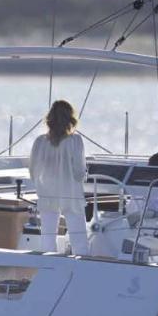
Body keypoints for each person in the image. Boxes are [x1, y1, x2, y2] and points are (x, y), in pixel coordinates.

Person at [30, 100, 89, 255]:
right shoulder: (75, 141)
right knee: (78, 238)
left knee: (47, 238)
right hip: (70, 193)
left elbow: (33, 171)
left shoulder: (40, 142)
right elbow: (79, 172)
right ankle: (81, 265)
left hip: (47, 194)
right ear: (70, 119)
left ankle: (48, 265)